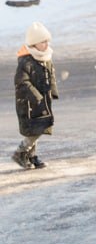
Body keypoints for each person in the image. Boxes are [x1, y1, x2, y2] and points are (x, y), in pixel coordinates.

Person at [13, 22, 58, 170]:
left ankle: (31, 155)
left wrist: (52, 90)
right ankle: (21, 152)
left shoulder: (46, 57)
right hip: (28, 103)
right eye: (42, 42)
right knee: (35, 129)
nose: (46, 44)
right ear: (34, 44)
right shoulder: (26, 61)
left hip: (42, 100)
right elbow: (22, 82)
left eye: (47, 41)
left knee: (39, 126)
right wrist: (36, 96)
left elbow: (51, 74)